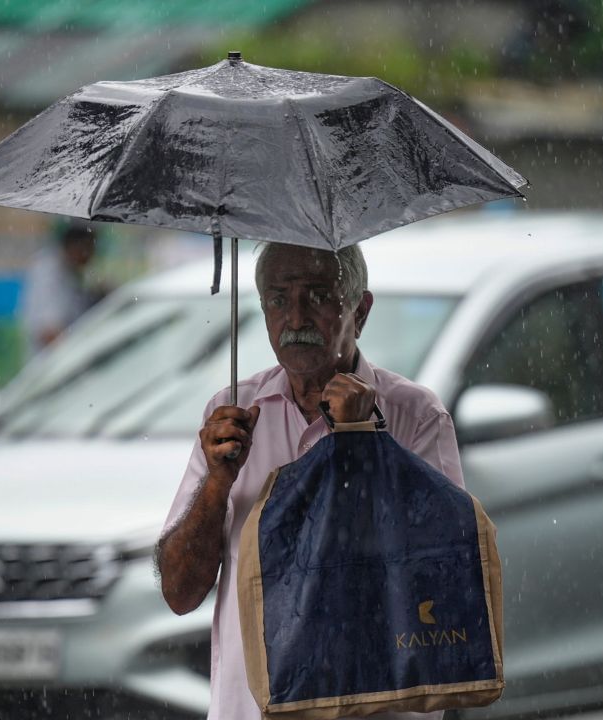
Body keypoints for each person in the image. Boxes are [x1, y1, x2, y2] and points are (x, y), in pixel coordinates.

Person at [156, 243, 465, 720]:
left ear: (360, 311)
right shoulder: (232, 418)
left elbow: (440, 580)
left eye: (318, 295)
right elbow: (180, 592)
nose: (294, 318)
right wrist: (218, 482)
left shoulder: (413, 416)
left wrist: (364, 444)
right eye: (277, 299)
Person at [18, 220, 96, 356]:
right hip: (51, 363)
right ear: (77, 246)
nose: (92, 256)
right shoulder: (50, 273)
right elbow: (49, 331)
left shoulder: (70, 274)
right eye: (89, 248)